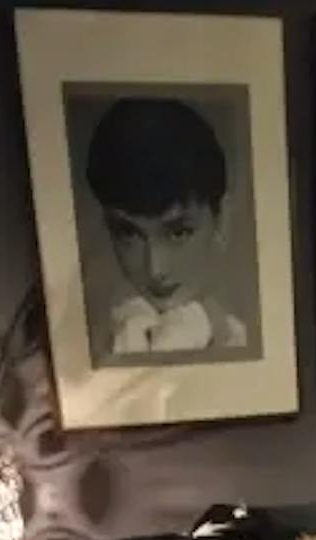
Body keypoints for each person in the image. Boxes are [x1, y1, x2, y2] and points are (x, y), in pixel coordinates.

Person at [85, 97, 246, 356]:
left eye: (178, 233)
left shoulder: (252, 346)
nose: (155, 269)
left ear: (222, 219)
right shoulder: (86, 347)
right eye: (128, 233)